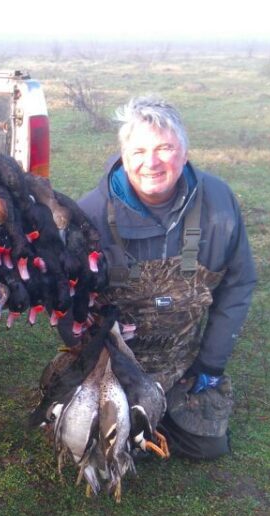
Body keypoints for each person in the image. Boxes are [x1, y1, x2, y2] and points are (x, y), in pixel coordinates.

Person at [78, 95, 256, 460]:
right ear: (123, 156)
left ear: (185, 154)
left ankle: (161, 415)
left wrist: (211, 362)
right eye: (139, 151)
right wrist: (96, 342)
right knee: (102, 448)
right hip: (112, 362)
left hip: (182, 361)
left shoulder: (219, 203)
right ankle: (132, 417)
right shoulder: (89, 215)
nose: (152, 162)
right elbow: (69, 302)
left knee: (206, 446)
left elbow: (238, 285)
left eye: (165, 148)